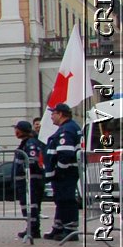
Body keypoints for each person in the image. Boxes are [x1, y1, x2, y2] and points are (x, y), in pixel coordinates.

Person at [44, 102, 81, 239]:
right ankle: (59, 227)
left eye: (53, 114)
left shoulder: (67, 130)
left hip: (65, 173)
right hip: (66, 172)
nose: (52, 117)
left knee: (66, 200)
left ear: (60, 114)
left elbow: (65, 154)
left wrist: (59, 170)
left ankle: (70, 229)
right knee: (61, 200)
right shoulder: (69, 127)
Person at [11, 119, 45, 240]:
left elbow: (32, 161)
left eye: (17, 129)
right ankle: (31, 227)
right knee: (28, 205)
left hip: (31, 181)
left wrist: (23, 171)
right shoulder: (26, 142)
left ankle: (33, 228)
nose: (15, 131)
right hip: (26, 181)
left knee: (32, 205)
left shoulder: (30, 143)